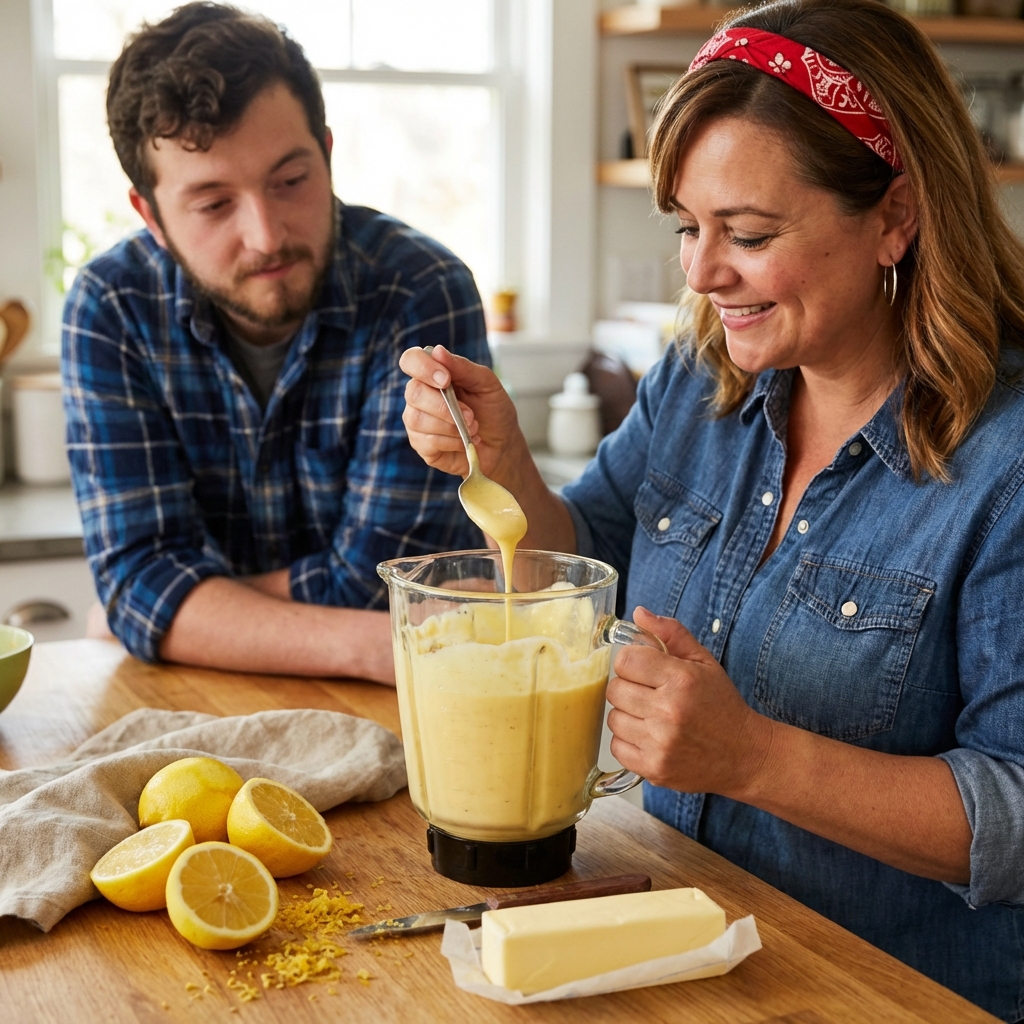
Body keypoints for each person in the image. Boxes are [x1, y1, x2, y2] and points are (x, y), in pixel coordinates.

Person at [400, 0, 1024, 1018]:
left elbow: (1015, 812)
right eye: (689, 227)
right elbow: (582, 561)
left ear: (893, 217)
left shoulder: (1006, 464)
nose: (699, 271)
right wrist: (505, 462)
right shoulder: (697, 381)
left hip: (892, 996)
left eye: (748, 233)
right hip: (695, 961)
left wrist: (756, 759)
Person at [61, 3, 489, 684]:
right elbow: (141, 581)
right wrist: (372, 643)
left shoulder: (419, 288)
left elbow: (383, 583)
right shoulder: (109, 306)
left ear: (325, 151)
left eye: (291, 181)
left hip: (398, 714)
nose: (265, 235)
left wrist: (179, 610)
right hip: (203, 701)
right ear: (152, 217)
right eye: (213, 204)